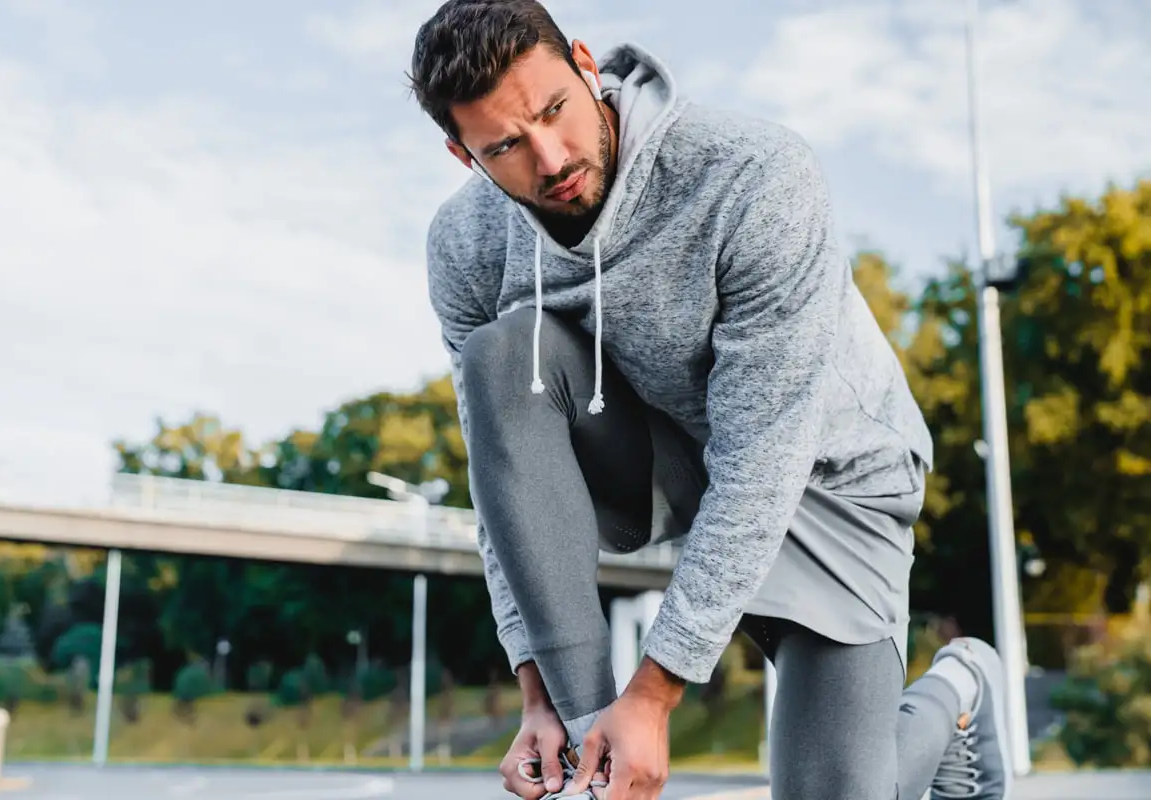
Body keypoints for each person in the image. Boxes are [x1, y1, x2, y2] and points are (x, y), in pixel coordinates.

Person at [407, 2, 1015, 798]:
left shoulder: (751, 174)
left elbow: (763, 458)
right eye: (507, 147)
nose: (551, 158)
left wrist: (656, 695)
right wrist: (541, 695)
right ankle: (587, 752)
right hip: (653, 461)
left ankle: (959, 690)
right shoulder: (466, 248)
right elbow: (503, 490)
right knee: (501, 361)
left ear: (586, 65)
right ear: (463, 155)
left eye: (554, 110)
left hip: (824, 477)